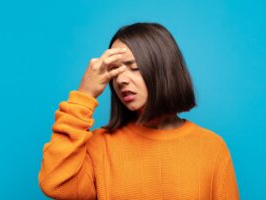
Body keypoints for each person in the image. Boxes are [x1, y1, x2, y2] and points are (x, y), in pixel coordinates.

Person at [38, 22, 240, 200]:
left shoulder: (211, 148)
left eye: (133, 67)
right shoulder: (99, 146)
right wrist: (83, 96)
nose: (121, 80)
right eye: (115, 71)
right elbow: (55, 184)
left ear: (163, 69)